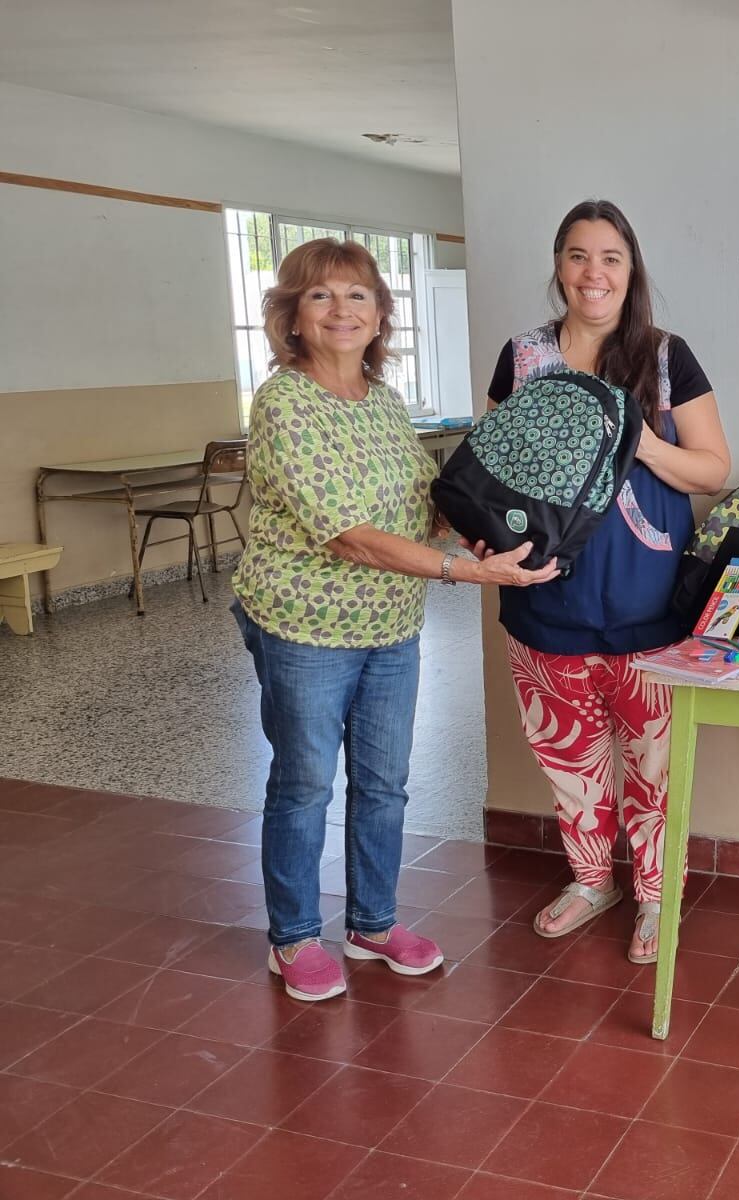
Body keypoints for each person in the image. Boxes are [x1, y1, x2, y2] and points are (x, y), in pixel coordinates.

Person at [234, 238, 555, 1002]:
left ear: (381, 315)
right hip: (304, 626)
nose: (341, 310)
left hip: (389, 626)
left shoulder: (384, 401)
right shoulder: (284, 402)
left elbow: (418, 510)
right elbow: (347, 533)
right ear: (293, 316)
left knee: (384, 784)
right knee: (306, 783)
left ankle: (373, 924)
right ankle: (294, 938)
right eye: (320, 296)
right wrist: (470, 570)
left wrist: (478, 534)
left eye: (357, 295)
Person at [482, 200, 731, 965]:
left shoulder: (664, 357)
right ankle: (593, 881)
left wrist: (647, 442)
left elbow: (714, 469)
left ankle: (657, 895)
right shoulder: (522, 358)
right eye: (579, 255)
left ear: (632, 269)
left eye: (611, 257)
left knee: (655, 766)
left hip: (650, 603)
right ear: (559, 267)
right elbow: (488, 468)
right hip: (546, 597)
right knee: (570, 759)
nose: (595, 273)